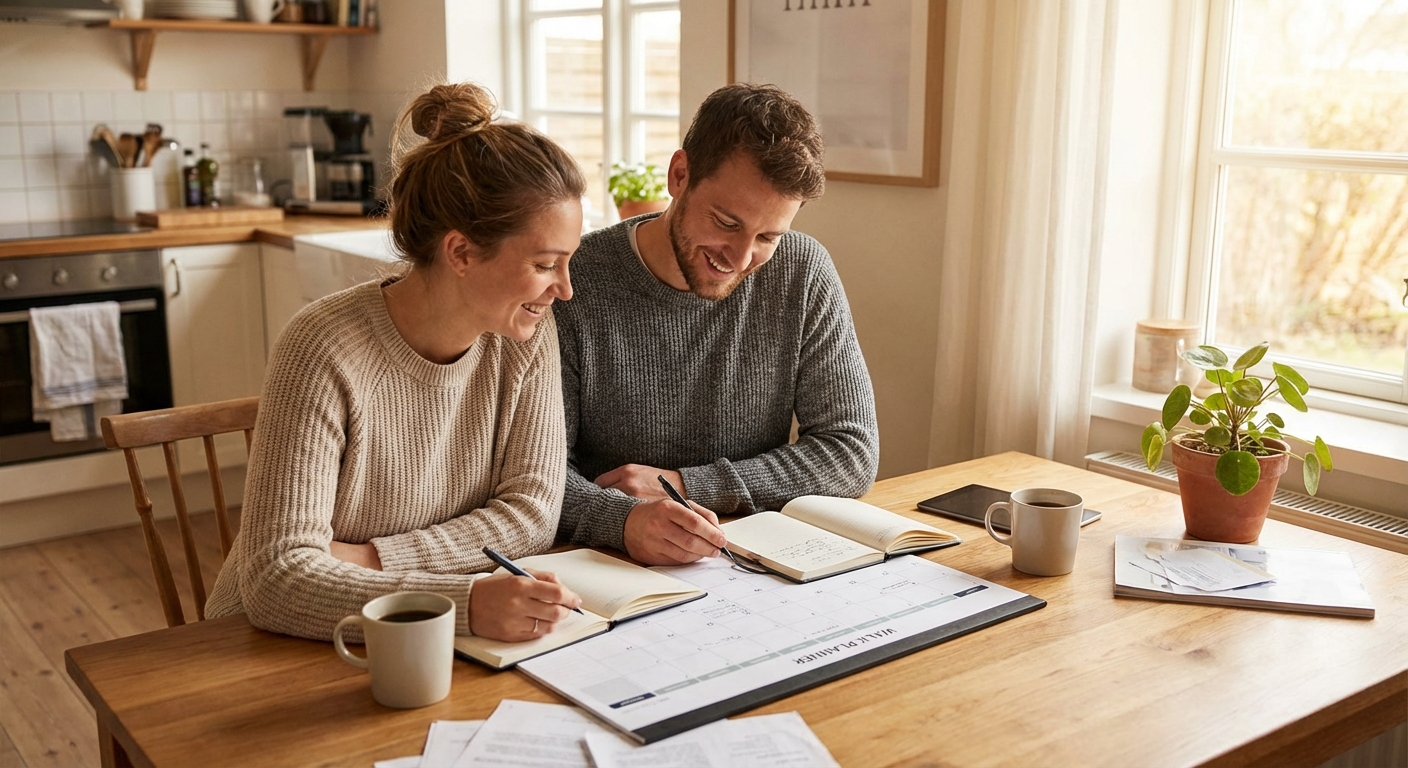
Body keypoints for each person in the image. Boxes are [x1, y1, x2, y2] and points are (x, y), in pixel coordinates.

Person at [206, 82, 586, 642]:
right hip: (271, 643)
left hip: (409, 635)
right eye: (546, 263)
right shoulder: (322, 346)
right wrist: (464, 604)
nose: (565, 289)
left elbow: (531, 516)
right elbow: (276, 578)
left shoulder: (525, 335)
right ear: (460, 252)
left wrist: (368, 559)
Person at [554, 83, 880, 565]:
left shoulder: (801, 271)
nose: (742, 258)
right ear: (680, 175)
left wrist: (685, 485)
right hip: (607, 567)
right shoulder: (571, 283)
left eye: (767, 235)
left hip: (750, 562)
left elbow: (850, 451)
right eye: (727, 223)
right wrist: (620, 519)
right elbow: (533, 475)